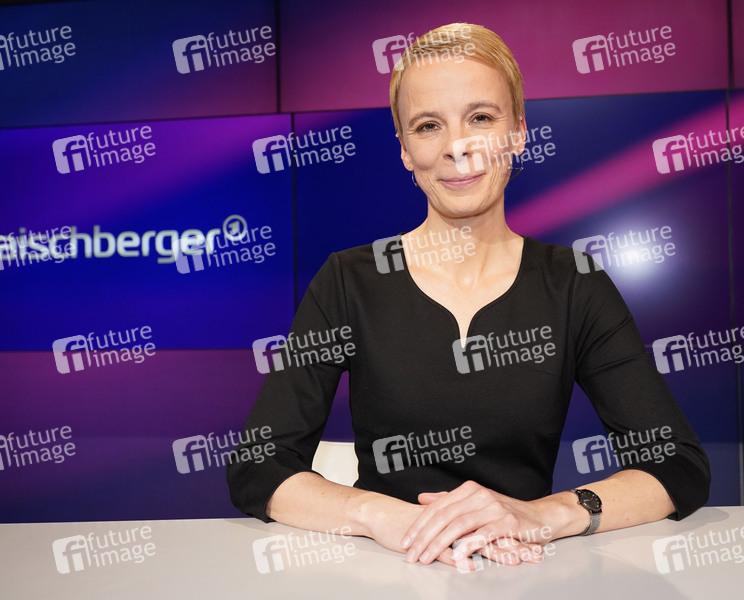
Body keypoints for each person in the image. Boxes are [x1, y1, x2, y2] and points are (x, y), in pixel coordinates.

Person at [227, 22, 709, 570]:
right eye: (428, 126)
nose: (457, 148)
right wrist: (382, 516)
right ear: (405, 150)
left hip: (524, 572)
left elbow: (677, 465)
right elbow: (259, 464)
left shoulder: (574, 283)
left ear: (519, 133)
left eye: (481, 118)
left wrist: (541, 515)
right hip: (386, 573)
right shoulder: (348, 281)